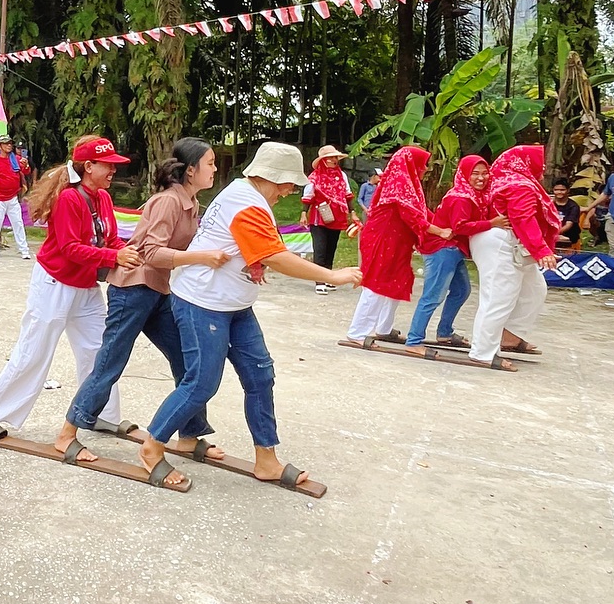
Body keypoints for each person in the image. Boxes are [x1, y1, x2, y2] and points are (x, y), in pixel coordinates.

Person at [139, 141, 360, 489]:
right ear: (271, 178)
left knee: (260, 376)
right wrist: (330, 275)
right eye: (288, 184)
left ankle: (266, 459)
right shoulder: (247, 204)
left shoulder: (247, 194)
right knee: (201, 383)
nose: (289, 192)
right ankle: (152, 447)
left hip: (235, 304)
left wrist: (252, 262)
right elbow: (276, 255)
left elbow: (251, 247)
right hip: (203, 302)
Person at [55, 136, 230, 460]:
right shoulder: (168, 201)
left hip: (158, 291)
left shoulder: (191, 205)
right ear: (191, 171)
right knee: (111, 362)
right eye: (210, 163)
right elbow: (152, 252)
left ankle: (190, 435)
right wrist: (202, 258)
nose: (215, 169)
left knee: (185, 358)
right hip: (133, 289)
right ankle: (68, 434)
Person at [0, 136, 140, 441]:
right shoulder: (69, 198)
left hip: (86, 285)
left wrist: (130, 252)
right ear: (89, 166)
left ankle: (100, 414)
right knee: (34, 351)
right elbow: (70, 248)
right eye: (108, 165)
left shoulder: (103, 198)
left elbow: (110, 239)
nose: (113, 171)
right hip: (54, 284)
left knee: (99, 352)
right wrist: (114, 256)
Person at [467, 144, 558, 369]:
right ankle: (483, 352)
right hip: (501, 242)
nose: (543, 169)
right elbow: (523, 217)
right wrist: (541, 250)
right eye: (540, 164)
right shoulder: (519, 185)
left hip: (509, 242)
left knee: (535, 290)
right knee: (499, 297)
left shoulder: (506, 179)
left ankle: (509, 336)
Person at [345, 146, 443, 343]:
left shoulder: (407, 185)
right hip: (382, 240)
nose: (424, 170)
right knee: (376, 283)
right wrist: (439, 231)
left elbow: (421, 211)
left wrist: (443, 223)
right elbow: (413, 216)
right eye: (422, 165)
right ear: (412, 165)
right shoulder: (399, 184)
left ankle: (384, 328)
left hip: (397, 242)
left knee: (398, 280)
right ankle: (357, 332)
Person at [405, 156, 501, 350]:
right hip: (442, 249)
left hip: (453, 249)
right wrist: (492, 224)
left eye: (484, 173)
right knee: (433, 296)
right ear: (465, 175)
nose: (481, 178)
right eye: (475, 173)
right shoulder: (460, 198)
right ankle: (413, 341)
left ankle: (444, 333)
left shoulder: (476, 196)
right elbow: (461, 226)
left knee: (461, 291)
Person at [301, 144, 360, 290]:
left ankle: (328, 278)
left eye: (335, 157)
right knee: (320, 248)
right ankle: (319, 281)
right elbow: (308, 196)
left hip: (337, 215)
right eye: (331, 158)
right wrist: (303, 213)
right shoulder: (314, 177)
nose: (334, 160)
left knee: (331, 248)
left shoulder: (342, 176)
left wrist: (352, 212)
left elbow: (347, 195)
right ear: (323, 160)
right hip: (319, 215)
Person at [0, 135, 30, 259]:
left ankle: (24, 249)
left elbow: (26, 172)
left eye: (10, 143)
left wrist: (25, 165)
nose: (9, 145)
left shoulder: (16, 159)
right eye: (5, 143)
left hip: (13, 198)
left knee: (18, 223)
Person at [552, 179, 583, 253]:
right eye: (556, 190)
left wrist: (554, 234)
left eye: (562, 190)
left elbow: (568, 225)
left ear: (568, 190)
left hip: (570, 237)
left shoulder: (573, 206)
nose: (559, 192)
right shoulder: (549, 204)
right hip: (552, 235)